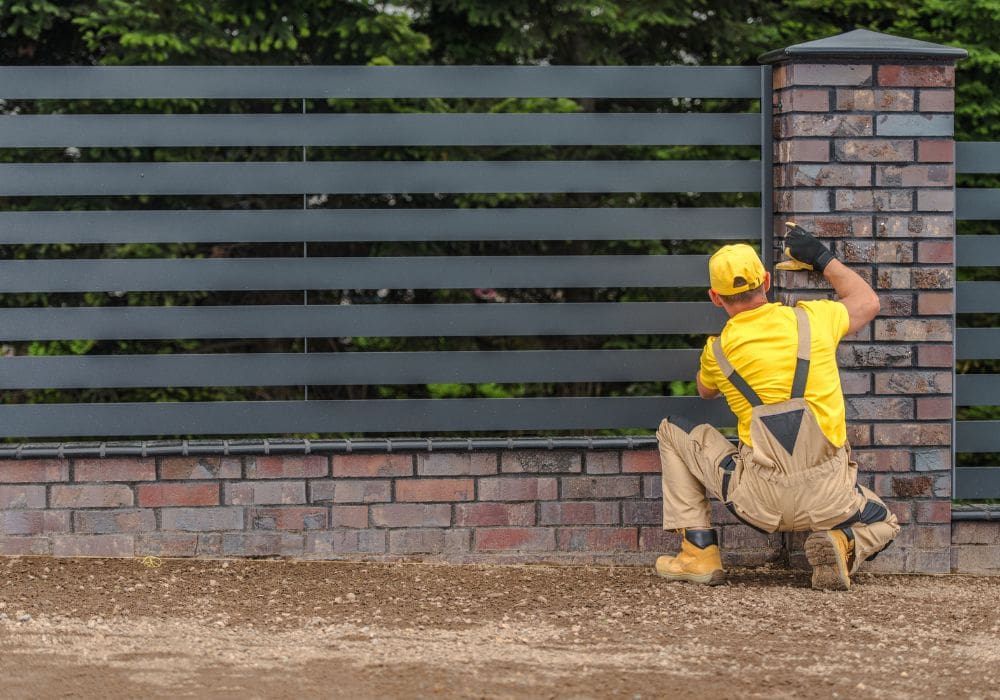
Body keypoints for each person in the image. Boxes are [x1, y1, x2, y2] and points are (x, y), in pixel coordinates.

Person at [654, 223, 900, 590]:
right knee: (885, 523)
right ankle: (843, 541)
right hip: (830, 499)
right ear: (767, 282)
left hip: (758, 501)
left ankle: (699, 552)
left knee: (671, 430)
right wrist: (820, 258)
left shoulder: (717, 351)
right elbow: (868, 302)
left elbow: (705, 392)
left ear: (715, 297)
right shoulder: (814, 320)